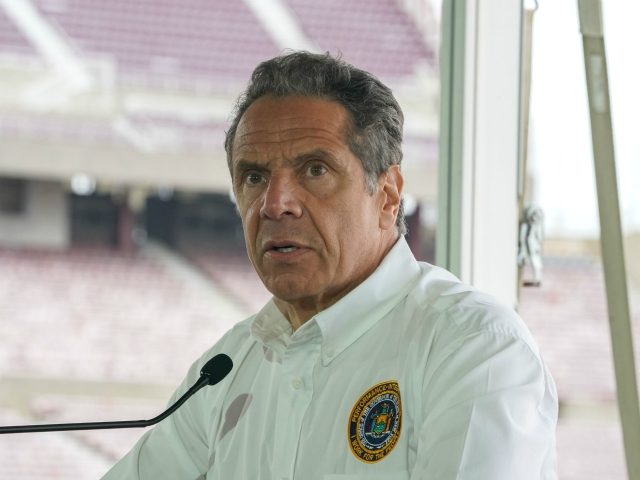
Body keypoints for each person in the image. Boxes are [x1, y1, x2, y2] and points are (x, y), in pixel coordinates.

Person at [104, 51, 557, 480]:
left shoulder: (473, 347)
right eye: (254, 177)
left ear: (389, 193)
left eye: (315, 170)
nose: (274, 204)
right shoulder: (228, 366)